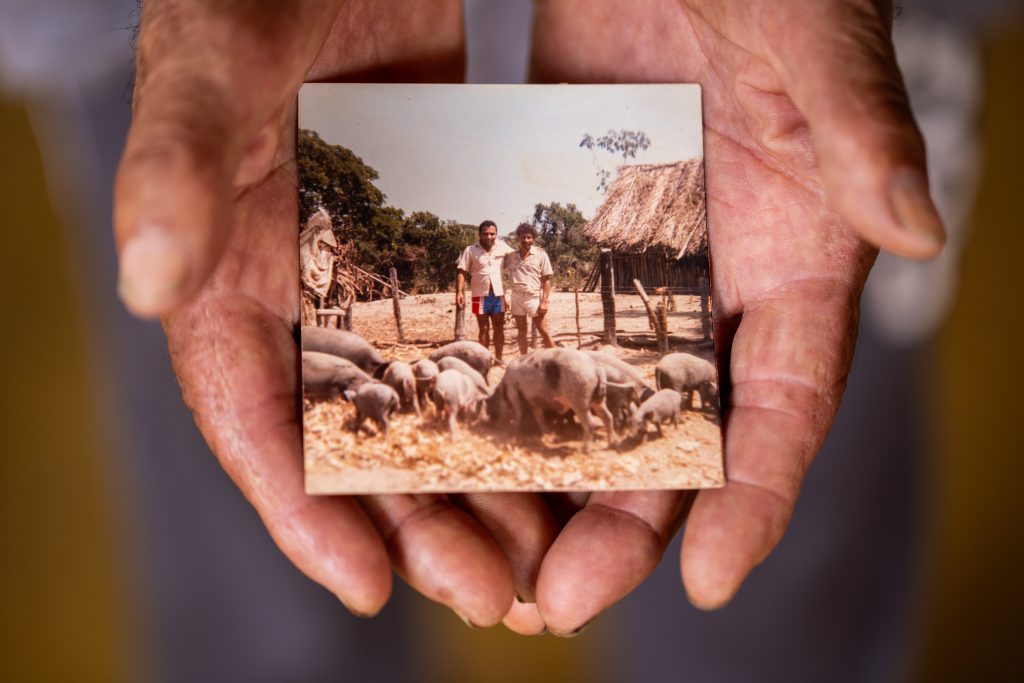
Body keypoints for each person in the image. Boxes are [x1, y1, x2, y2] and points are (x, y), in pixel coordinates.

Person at [110, 0, 953, 640]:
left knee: (779, 478)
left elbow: (545, 278)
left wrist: (542, 301)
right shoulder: (476, 255)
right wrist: (469, 294)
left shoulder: (537, 253)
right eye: (492, 232)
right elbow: (467, 276)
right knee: (278, 509)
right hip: (456, 273)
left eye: (498, 232)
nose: (496, 236)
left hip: (702, 143)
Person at [455, 220, 514, 360]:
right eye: (485, 234)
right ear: (479, 234)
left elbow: (518, 255)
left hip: (498, 294)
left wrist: (537, 251)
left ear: (496, 234)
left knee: (499, 327)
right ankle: (484, 360)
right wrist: (459, 292)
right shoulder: (470, 250)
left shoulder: (502, 247)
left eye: (492, 234)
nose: (489, 237)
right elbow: (462, 271)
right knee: (483, 328)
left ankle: (499, 359)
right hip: (479, 295)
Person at [504, 222, 555, 355]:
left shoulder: (541, 255)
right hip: (516, 297)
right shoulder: (511, 256)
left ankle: (558, 359)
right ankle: (524, 359)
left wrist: (544, 302)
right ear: (518, 237)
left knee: (543, 331)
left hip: (533, 297)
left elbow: (546, 281)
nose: (526, 240)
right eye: (523, 237)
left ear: (533, 238)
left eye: (529, 237)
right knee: (521, 331)